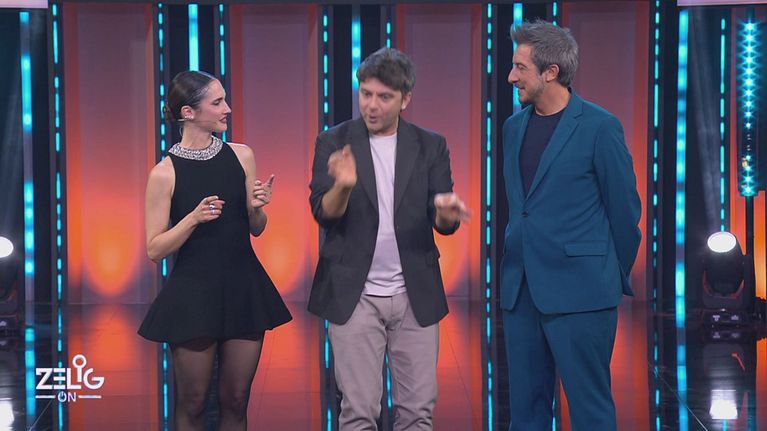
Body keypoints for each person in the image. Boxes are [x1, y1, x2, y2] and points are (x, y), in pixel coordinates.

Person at [308, 47, 469, 430]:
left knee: (417, 412)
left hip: (415, 293)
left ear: (405, 99)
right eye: (366, 93)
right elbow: (323, 213)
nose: (371, 105)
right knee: (359, 412)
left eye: (384, 97)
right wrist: (343, 186)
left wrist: (446, 216)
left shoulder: (430, 144)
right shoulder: (334, 141)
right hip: (354, 293)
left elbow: (442, 216)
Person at [500, 20, 641, 431]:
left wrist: (606, 274)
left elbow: (624, 211)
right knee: (526, 411)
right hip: (522, 289)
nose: (511, 77)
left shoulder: (600, 127)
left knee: (589, 409)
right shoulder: (512, 128)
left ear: (551, 71)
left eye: (520, 67)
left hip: (583, 292)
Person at [138, 70, 292, 431]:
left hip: (243, 289)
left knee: (236, 399)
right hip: (193, 295)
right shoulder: (164, 173)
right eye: (217, 102)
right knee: (192, 403)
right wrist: (192, 219)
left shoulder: (241, 155)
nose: (228, 109)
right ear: (188, 112)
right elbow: (155, 249)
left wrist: (258, 208)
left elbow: (256, 228)